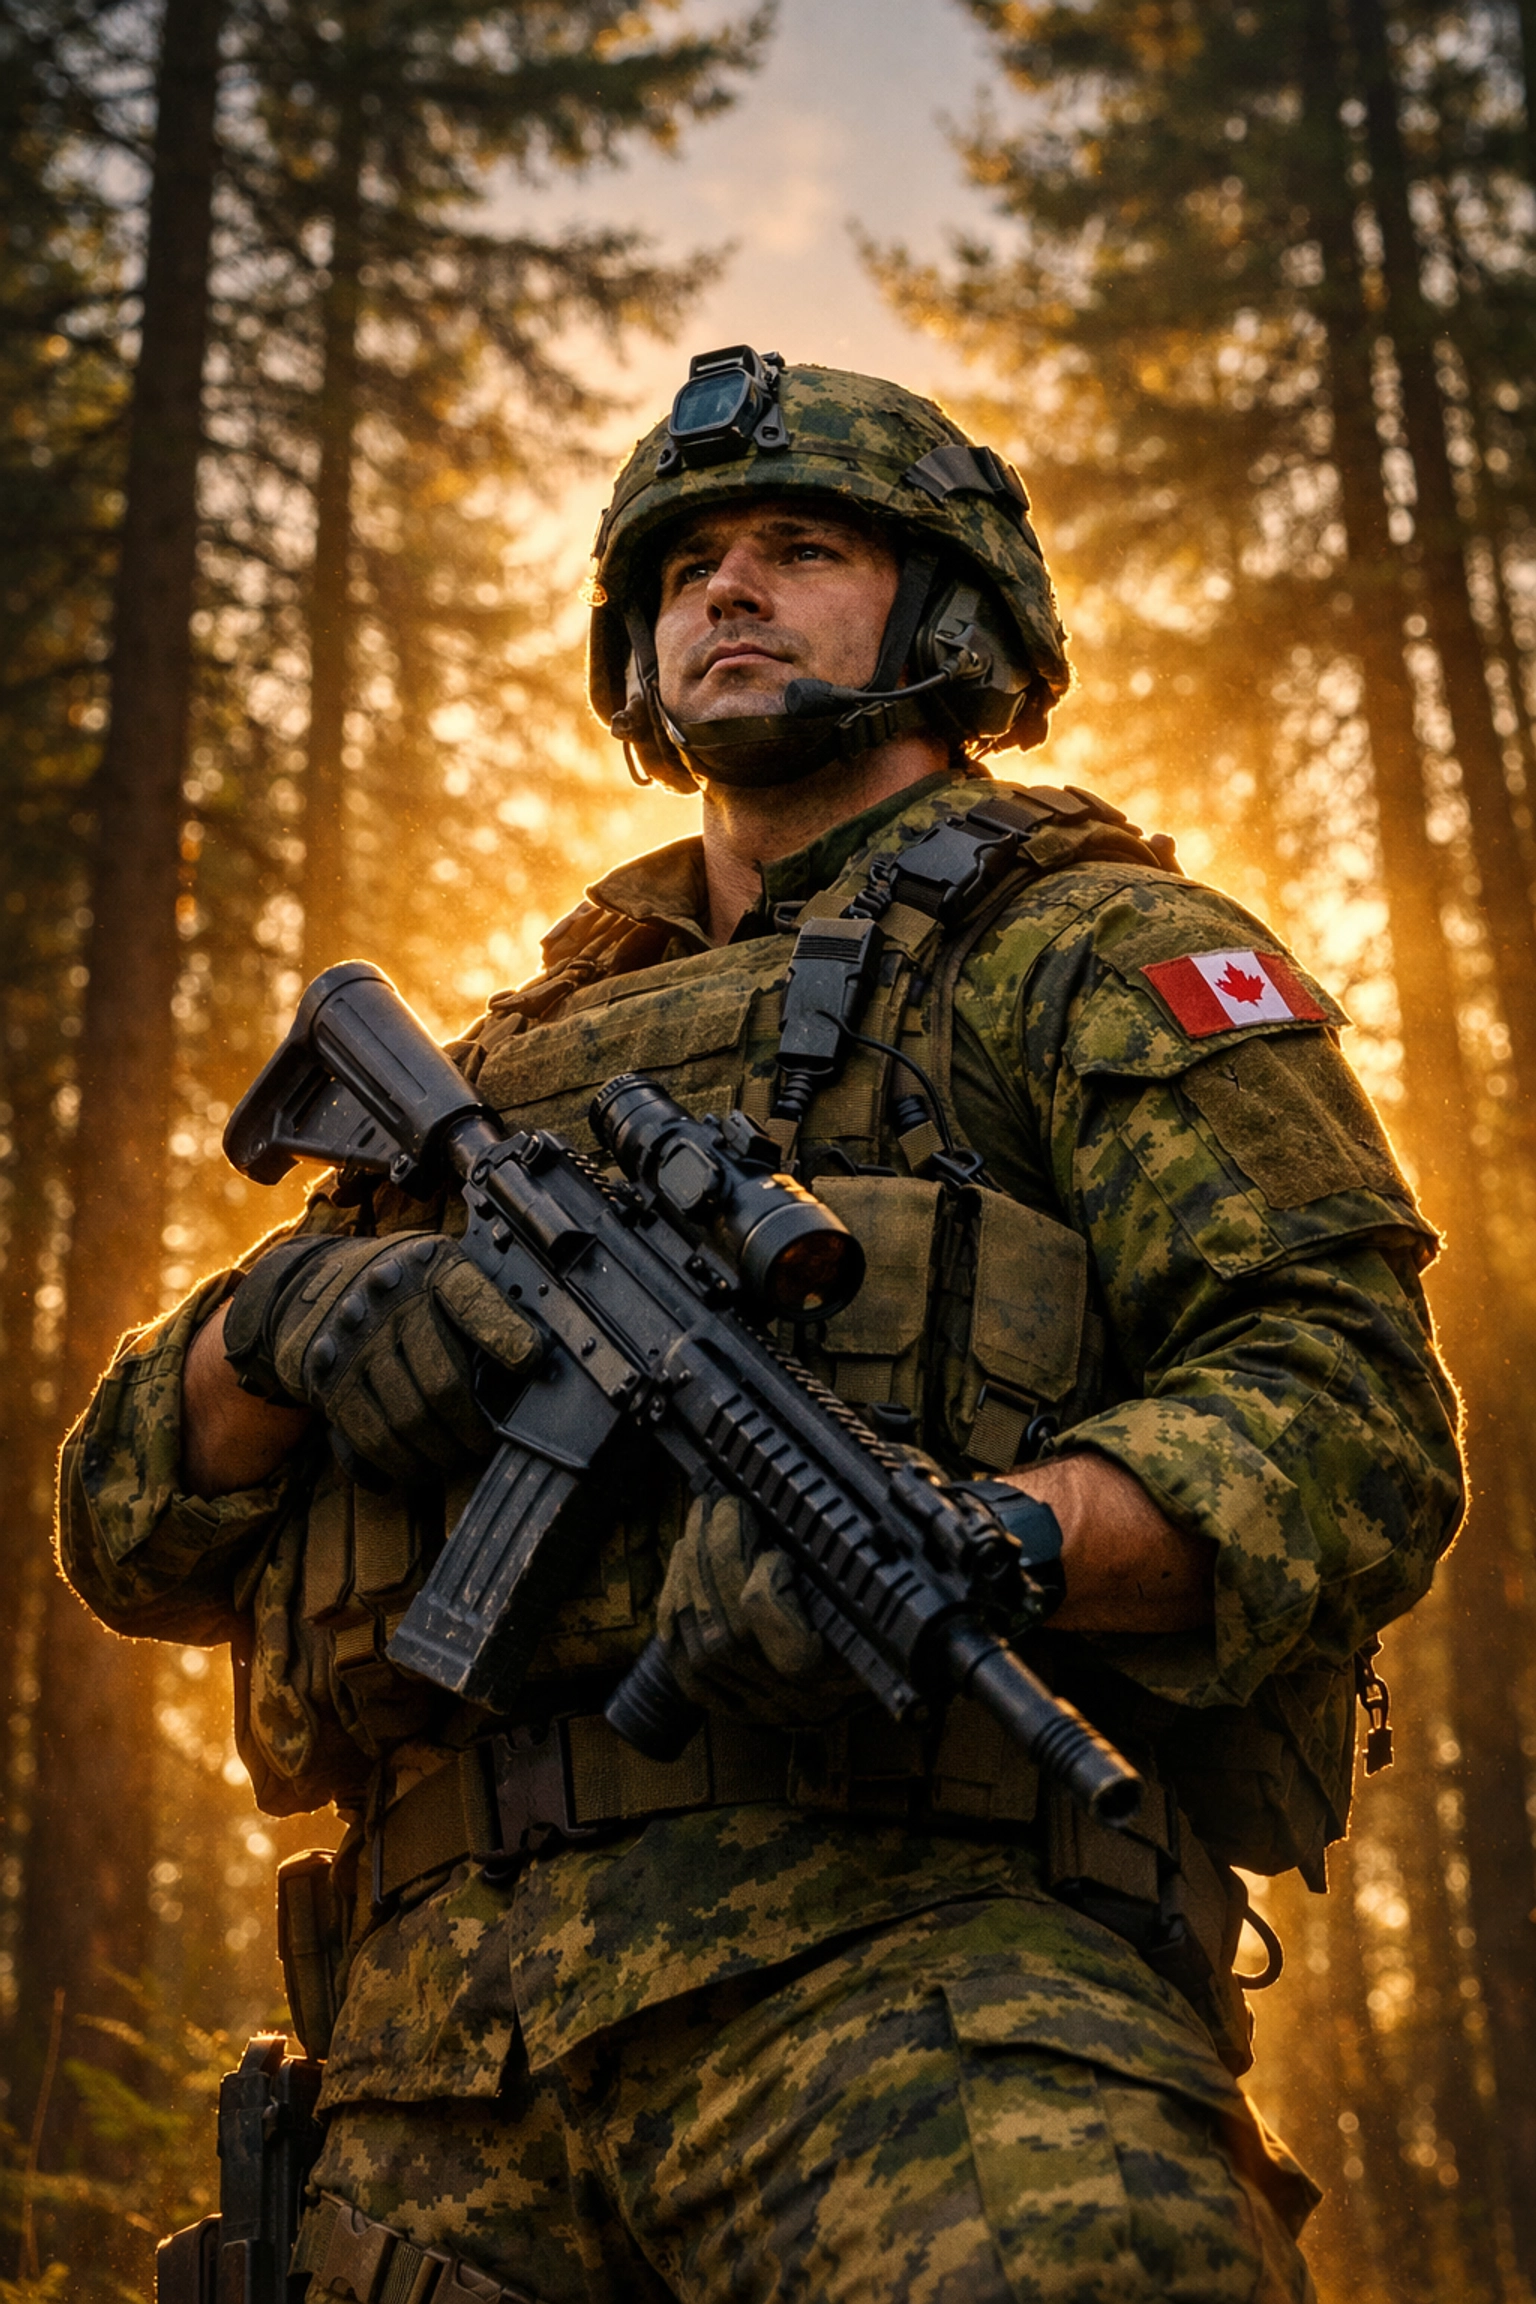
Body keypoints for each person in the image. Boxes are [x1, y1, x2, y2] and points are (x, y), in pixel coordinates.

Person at [61, 350, 1462, 2304]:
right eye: (686, 564)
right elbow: (125, 1530)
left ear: (947, 611)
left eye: (800, 547)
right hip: (426, 2083)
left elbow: (1348, 1414)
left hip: (931, 1996)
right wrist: (277, 1334)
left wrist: (1006, 1540)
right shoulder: (499, 1057)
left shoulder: (1093, 952)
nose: (727, 590)